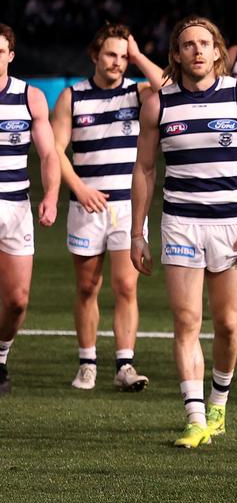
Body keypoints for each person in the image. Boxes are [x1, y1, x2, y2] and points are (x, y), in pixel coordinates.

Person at [130, 16, 237, 448]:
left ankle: (218, 403)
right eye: (188, 45)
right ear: (176, 54)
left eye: (205, 43)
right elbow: (143, 169)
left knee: (228, 325)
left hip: (230, 224)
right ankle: (195, 416)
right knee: (186, 321)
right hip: (179, 223)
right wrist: (137, 233)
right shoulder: (159, 102)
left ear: (219, 51)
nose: (197, 51)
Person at [51, 23, 164, 391]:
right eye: (111, 55)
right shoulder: (72, 96)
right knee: (87, 287)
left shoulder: (139, 92)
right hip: (87, 207)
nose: (118, 62)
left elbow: (169, 88)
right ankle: (87, 363)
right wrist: (80, 188)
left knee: (125, 287)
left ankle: (125, 365)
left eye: (123, 56)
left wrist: (138, 55)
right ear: (95, 56)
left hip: (127, 207)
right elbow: (56, 150)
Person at [0, 23, 61, 396]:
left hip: (16, 207)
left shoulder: (30, 97)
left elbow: (50, 154)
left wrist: (52, 195)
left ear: (9, 55)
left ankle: (1, 355)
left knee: (18, 300)